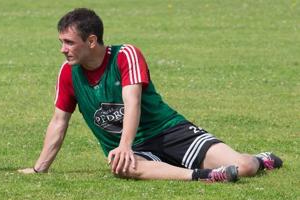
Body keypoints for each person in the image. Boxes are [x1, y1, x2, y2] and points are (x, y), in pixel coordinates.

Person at [19, 8, 282, 182]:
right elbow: (58, 122)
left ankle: (261, 159)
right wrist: (39, 168)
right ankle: (205, 176)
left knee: (245, 168)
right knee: (124, 166)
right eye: (61, 42)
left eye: (69, 42)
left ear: (91, 41)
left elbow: (132, 103)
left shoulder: (125, 55)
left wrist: (123, 145)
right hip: (137, 151)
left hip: (169, 133)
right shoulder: (68, 73)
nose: (63, 50)